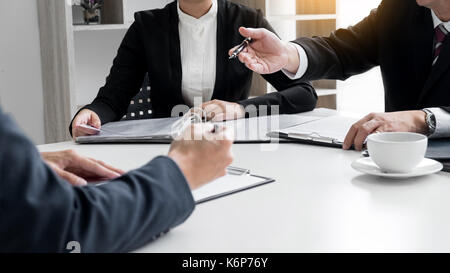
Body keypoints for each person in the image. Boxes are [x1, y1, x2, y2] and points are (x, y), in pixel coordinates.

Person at [70, 0, 318, 139]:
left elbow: (304, 93)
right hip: (167, 151)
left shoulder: (247, 24)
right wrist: (93, 113)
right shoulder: (147, 27)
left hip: (233, 146)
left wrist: (239, 109)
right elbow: (113, 98)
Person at [0, 106, 233, 252]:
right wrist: (183, 169)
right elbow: (60, 229)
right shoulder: (147, 28)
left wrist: (25, 164)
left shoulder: (247, 28)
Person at [228, 0, 450, 150]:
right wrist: (286, 54)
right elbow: (342, 50)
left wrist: (423, 119)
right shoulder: (399, 8)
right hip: (397, 165)